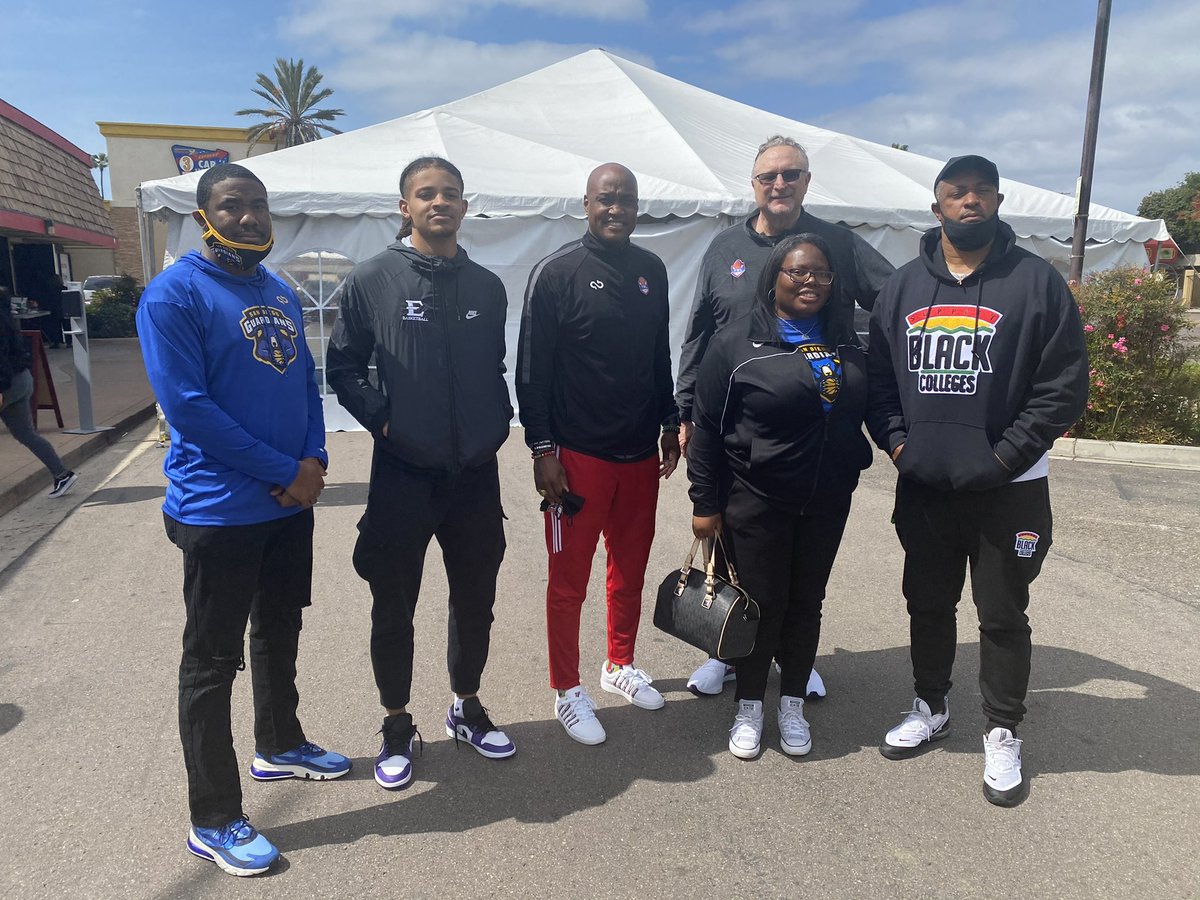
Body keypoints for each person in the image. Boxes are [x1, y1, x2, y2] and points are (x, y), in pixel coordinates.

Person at [137, 163, 349, 878]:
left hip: (287, 503)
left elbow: (306, 383)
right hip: (220, 510)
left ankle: (279, 744)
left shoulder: (278, 288)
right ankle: (214, 817)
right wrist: (284, 470)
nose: (251, 217)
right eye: (233, 205)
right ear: (204, 216)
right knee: (211, 662)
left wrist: (313, 459)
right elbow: (188, 408)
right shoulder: (174, 294)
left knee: (280, 627)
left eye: (259, 205)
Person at [866, 155, 1088, 806]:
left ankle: (1002, 730)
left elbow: (1062, 386)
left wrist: (1003, 458)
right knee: (928, 603)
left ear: (997, 201)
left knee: (1002, 614)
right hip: (926, 486)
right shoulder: (903, 287)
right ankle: (930, 707)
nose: (970, 202)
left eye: (982, 192)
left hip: (1008, 489)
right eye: (956, 193)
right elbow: (878, 380)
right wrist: (899, 446)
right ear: (936, 206)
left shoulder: (1036, 282)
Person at [677, 135, 895, 699]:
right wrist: (685, 407)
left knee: (795, 572)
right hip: (731, 420)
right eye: (768, 176)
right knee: (728, 545)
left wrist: (881, 368)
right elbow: (701, 328)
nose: (779, 185)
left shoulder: (837, 244)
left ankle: (789, 656)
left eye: (791, 175)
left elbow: (894, 299)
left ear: (806, 181)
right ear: (753, 184)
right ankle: (725, 649)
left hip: (804, 431)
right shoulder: (725, 246)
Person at [326, 156, 516, 792]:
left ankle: (466, 705)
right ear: (404, 206)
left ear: (465, 205)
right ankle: (396, 722)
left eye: (451, 193)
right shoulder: (373, 279)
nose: (440, 202)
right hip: (403, 472)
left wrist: (497, 420)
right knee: (393, 604)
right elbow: (342, 367)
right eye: (426, 194)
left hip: (475, 475)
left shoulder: (487, 286)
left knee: (476, 598)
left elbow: (492, 366)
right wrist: (385, 421)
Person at [689, 233, 872, 759]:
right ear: (774, 279)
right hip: (757, 499)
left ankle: (791, 702)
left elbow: (870, 409)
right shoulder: (737, 344)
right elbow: (707, 427)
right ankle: (749, 705)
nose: (811, 281)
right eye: (798, 272)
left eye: (822, 273)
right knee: (760, 603)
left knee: (807, 602)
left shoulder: (848, 343)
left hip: (827, 500)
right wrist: (704, 502)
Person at [516, 162, 680, 745]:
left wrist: (669, 421)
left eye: (626, 200)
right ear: (586, 203)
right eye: (606, 199)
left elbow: (658, 354)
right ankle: (567, 689)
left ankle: (619, 663)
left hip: (638, 454)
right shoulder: (557, 271)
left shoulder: (651, 270)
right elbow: (532, 370)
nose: (617, 209)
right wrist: (541, 448)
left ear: (638, 207)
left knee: (629, 569)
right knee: (569, 583)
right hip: (577, 455)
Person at [0, 287, 76, 498]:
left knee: (26, 434)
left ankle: (62, 474)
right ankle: (62, 474)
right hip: (21, 380)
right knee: (26, 434)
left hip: (7, 384)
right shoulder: (8, 319)